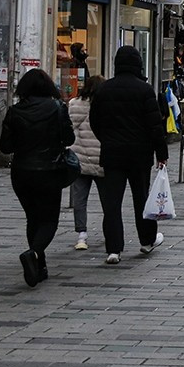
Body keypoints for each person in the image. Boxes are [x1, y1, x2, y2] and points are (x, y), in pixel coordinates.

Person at [91, 46, 169, 265]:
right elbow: (155, 126)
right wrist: (161, 153)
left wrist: (106, 140)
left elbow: (94, 120)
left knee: (112, 203)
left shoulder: (104, 89)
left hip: (112, 154)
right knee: (141, 199)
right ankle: (146, 240)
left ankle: (114, 249)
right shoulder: (144, 90)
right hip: (139, 154)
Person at [0, 68, 76, 287]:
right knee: (49, 218)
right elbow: (68, 138)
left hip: (22, 172)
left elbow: (5, 146)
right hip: (50, 170)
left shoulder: (15, 111)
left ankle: (39, 266)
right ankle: (34, 253)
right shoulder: (57, 108)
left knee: (32, 217)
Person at [67, 75, 105, 251]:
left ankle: (81, 235)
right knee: (108, 200)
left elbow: (69, 130)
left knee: (79, 199)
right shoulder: (107, 106)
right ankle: (109, 231)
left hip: (80, 158)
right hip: (101, 159)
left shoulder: (75, 104)